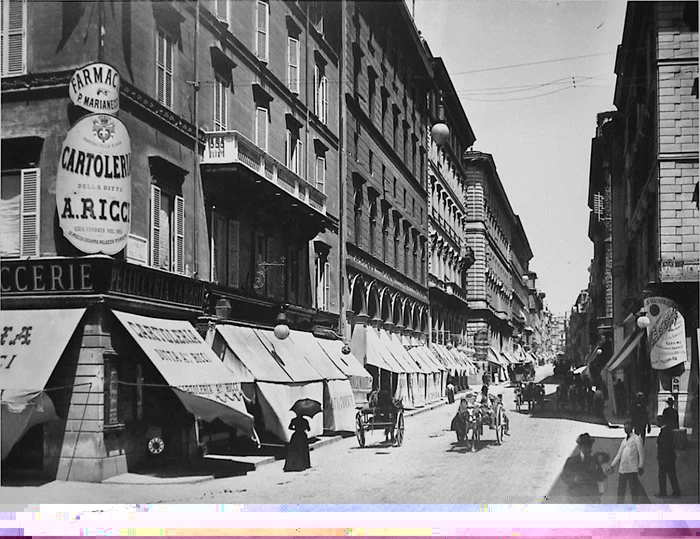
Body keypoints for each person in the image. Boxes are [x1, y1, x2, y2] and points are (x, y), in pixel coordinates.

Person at [562, 433, 606, 503]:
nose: (589, 449)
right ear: (580, 447)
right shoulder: (571, 461)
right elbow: (564, 476)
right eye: (586, 446)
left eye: (590, 446)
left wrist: (595, 475)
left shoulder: (594, 460)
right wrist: (575, 479)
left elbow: (601, 477)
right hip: (575, 495)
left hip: (591, 495)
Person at [608, 420, 646, 503]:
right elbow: (619, 454)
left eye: (628, 428)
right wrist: (612, 465)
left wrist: (641, 466)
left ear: (632, 428)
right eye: (625, 428)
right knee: (621, 490)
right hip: (622, 469)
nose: (626, 430)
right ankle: (620, 505)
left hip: (632, 469)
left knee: (633, 490)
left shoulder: (637, 438)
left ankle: (634, 506)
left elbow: (641, 453)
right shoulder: (624, 440)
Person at [655, 414, 681, 498]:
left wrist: (660, 456)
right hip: (669, 457)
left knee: (662, 476)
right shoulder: (667, 430)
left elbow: (664, 446)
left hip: (665, 457)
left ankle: (663, 492)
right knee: (671, 475)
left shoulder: (664, 432)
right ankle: (676, 491)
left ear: (660, 422)